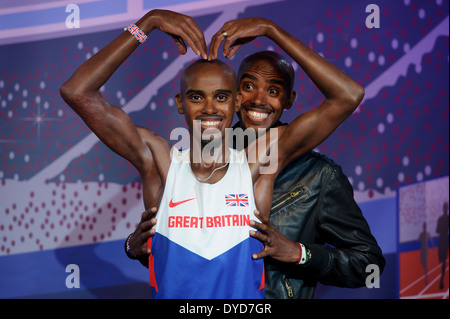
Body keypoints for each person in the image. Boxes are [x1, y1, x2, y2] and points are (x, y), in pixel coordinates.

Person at [126, 16, 385, 299]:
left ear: (289, 101)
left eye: (273, 91)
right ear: (235, 96)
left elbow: (367, 264)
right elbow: (182, 254)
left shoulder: (319, 175)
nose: (259, 100)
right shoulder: (199, 157)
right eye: (249, 86)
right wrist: (133, 246)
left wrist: (299, 253)